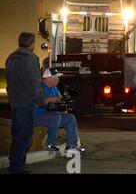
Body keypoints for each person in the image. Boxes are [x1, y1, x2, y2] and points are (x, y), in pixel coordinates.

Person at [5, 32, 58, 174]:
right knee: (26, 136)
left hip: (14, 102)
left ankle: (14, 163)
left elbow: (10, 81)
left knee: (17, 134)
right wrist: (40, 100)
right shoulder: (30, 58)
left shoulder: (10, 57)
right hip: (27, 102)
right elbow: (35, 82)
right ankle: (17, 167)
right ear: (32, 44)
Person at [35, 68, 85, 154]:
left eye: (58, 77)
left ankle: (71, 146)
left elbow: (59, 101)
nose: (58, 79)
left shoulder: (55, 88)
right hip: (37, 116)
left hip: (51, 116)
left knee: (70, 118)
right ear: (47, 78)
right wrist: (50, 99)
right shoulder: (39, 87)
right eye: (55, 77)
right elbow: (37, 102)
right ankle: (50, 144)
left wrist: (65, 103)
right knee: (56, 116)